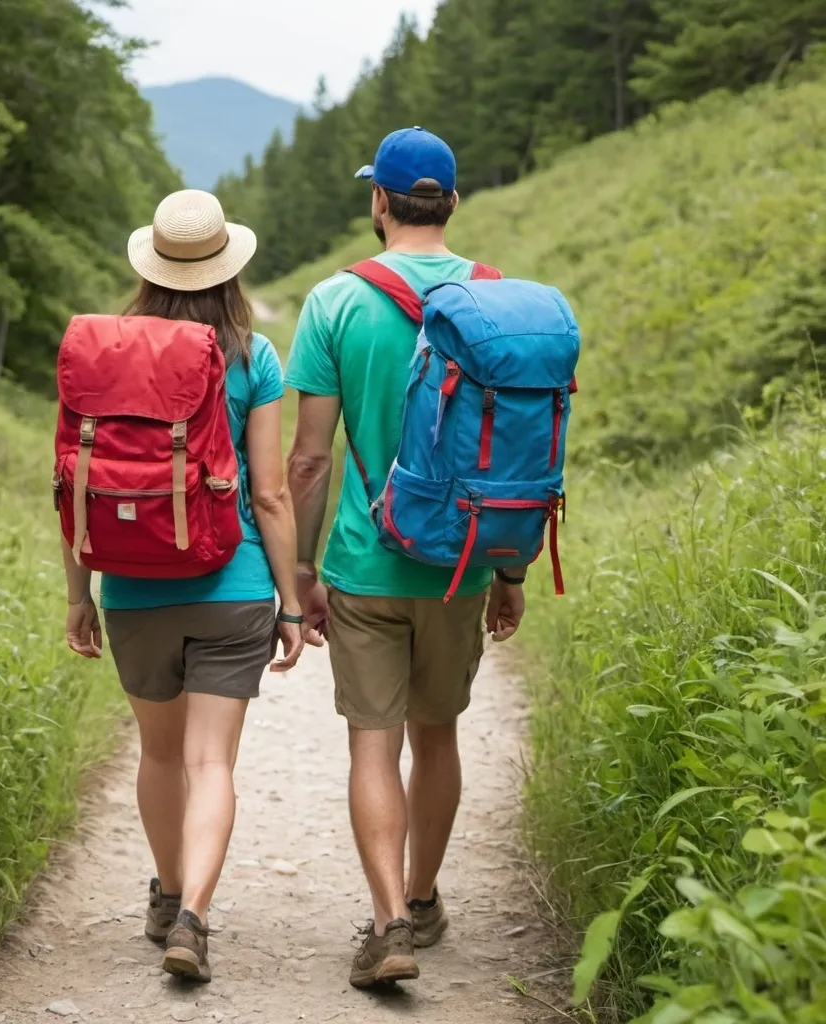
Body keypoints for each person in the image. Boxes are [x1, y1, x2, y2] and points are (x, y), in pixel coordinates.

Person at [284, 129, 528, 988]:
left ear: (378, 203)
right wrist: (510, 574)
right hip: (461, 562)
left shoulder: (335, 303)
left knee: (372, 745)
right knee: (440, 734)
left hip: (365, 563)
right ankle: (424, 899)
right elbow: (514, 452)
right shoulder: (498, 300)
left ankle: (387, 921)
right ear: (453, 202)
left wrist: (302, 575)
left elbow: (310, 459)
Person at [60, 189, 305, 984]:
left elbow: (72, 482)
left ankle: (165, 896)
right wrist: (292, 601)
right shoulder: (252, 357)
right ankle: (195, 915)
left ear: (151, 264)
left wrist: (79, 594)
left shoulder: (101, 352)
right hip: (231, 586)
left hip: (133, 588)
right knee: (211, 765)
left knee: (160, 756)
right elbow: (269, 494)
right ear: (229, 267)